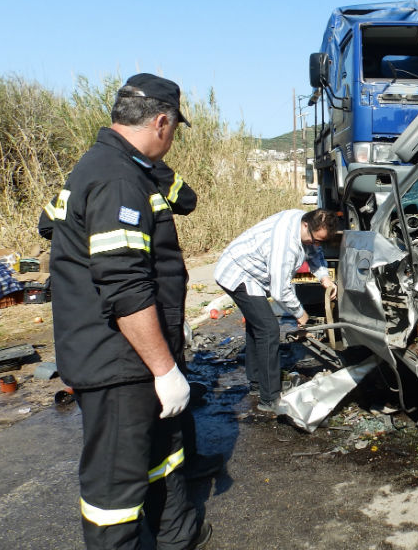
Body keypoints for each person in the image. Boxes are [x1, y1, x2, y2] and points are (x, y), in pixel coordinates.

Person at [44, 73, 211, 549]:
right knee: (114, 490)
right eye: (175, 128)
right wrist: (163, 368)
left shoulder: (114, 168)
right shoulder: (117, 178)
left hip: (132, 357)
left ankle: (176, 537)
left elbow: (49, 224)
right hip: (119, 362)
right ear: (162, 121)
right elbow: (123, 286)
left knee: (161, 458)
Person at [41, 160, 222, 481]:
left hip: (92, 321)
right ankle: (173, 477)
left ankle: (165, 488)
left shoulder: (80, 180)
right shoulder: (125, 177)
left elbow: (46, 225)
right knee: (165, 383)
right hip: (136, 309)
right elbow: (186, 199)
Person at [214, 209, 339, 411]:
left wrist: (324, 277)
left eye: (320, 242)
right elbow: (280, 290)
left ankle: (256, 383)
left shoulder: (307, 225)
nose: (315, 245)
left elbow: (315, 253)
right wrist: (301, 313)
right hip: (238, 271)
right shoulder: (285, 244)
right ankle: (269, 398)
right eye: (314, 240)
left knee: (258, 325)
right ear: (306, 225)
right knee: (268, 329)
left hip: (253, 273)